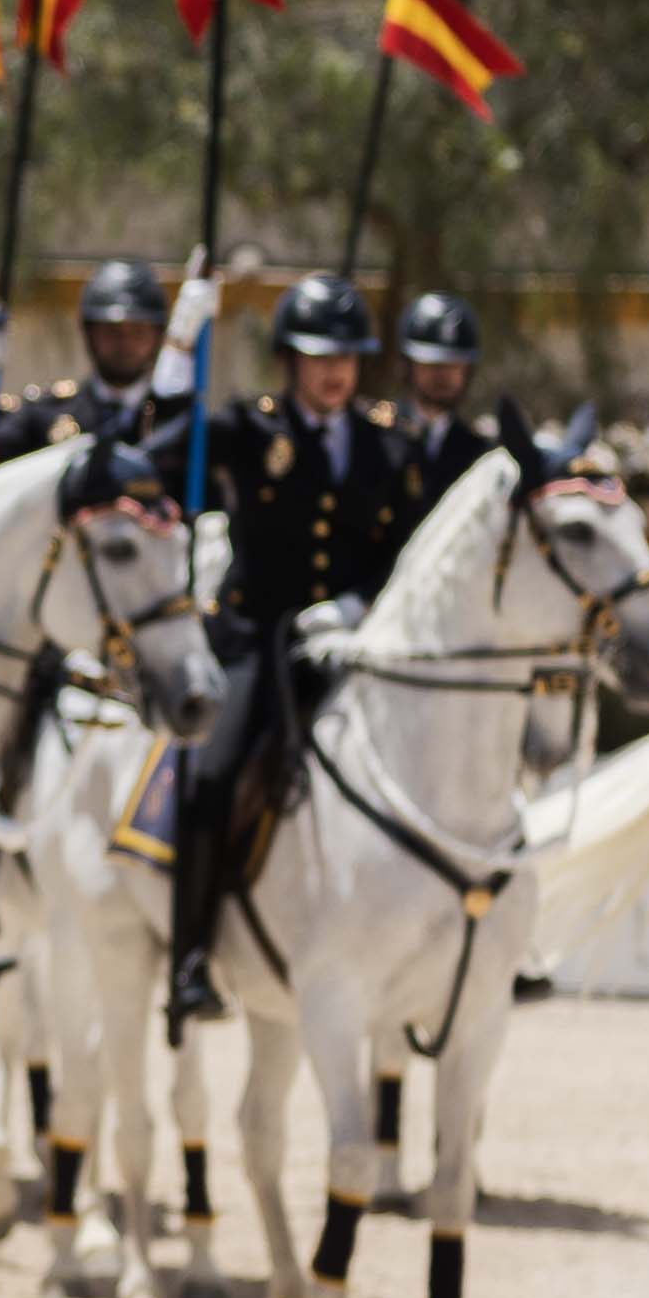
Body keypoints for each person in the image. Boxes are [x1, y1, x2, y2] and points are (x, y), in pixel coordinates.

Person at [161, 269, 425, 1025]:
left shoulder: (385, 443)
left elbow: (405, 548)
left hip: (349, 642)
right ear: (289, 359)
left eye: (346, 355)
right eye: (318, 355)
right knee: (211, 777)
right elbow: (166, 447)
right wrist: (181, 348)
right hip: (257, 640)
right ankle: (191, 956)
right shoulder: (250, 430)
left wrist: (353, 604)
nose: (335, 370)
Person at [0, 254, 174, 462]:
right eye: (111, 331)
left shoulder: (176, 422)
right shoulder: (42, 417)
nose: (125, 343)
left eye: (138, 332)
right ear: (89, 333)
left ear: (158, 337)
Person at [391, 289, 525, 514]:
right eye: (431, 363)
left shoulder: (480, 453)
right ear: (407, 365)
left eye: (454, 365)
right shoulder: (379, 436)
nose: (443, 375)